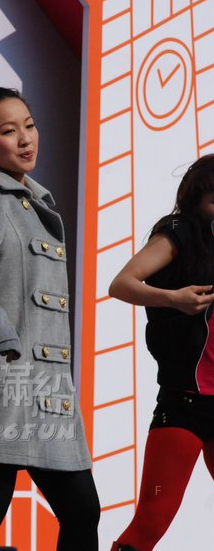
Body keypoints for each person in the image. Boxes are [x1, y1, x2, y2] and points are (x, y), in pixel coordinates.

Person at [0, 87, 100, 550]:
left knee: (82, 510)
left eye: (29, 125)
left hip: (45, 390)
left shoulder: (34, 204)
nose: (26, 139)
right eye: (9, 131)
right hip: (0, 381)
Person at [109, 154, 214, 551]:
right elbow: (122, 284)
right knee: (151, 523)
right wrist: (174, 298)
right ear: (194, 201)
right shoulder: (177, 234)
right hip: (186, 402)